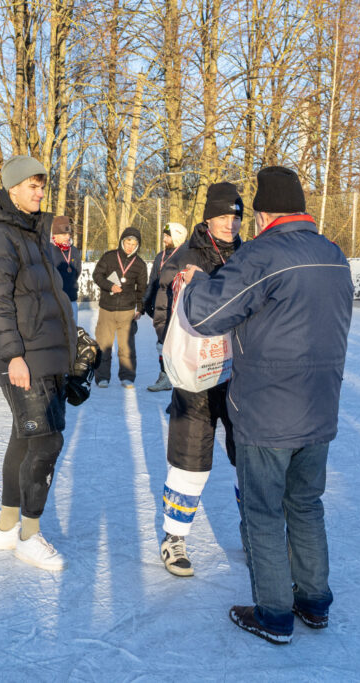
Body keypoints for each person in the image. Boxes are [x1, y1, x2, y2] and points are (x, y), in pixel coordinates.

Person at [181, 166, 353, 644]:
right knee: (306, 505)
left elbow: (206, 314)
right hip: (320, 407)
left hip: (267, 412)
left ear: (261, 215)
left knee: (262, 512)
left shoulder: (262, 254)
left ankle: (274, 613)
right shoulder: (334, 255)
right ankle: (314, 601)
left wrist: (195, 283)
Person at [0, 155, 79, 571]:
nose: (39, 192)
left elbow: (52, 294)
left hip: (45, 350)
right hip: (23, 356)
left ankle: (6, 527)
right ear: (12, 189)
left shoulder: (34, 232)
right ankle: (29, 536)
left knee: (25, 437)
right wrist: (13, 356)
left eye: (41, 185)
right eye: (32, 186)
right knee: (46, 441)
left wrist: (72, 343)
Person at [154, 183, 242, 577]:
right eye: (223, 216)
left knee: (247, 458)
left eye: (236, 217)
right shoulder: (185, 255)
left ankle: (255, 532)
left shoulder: (248, 254)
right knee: (190, 458)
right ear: (208, 217)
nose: (230, 224)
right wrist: (170, 350)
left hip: (238, 375)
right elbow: (161, 306)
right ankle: (174, 537)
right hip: (196, 378)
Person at [92, 226, 148, 388]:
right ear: (122, 242)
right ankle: (102, 377)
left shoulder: (140, 264)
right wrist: (109, 286)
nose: (130, 247)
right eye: (128, 243)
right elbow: (97, 275)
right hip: (107, 309)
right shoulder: (109, 257)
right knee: (104, 344)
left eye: (134, 244)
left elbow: (142, 289)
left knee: (126, 347)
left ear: (138, 246)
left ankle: (127, 376)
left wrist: (140, 308)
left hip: (127, 311)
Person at [143, 223, 185, 392]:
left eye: (168, 236)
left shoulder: (185, 256)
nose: (164, 239)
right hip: (161, 307)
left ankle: (181, 377)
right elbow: (152, 281)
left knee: (178, 344)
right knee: (162, 343)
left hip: (178, 308)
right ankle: (165, 376)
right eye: (164, 235)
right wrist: (146, 303)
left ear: (177, 237)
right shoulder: (160, 256)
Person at [49, 216, 82, 324]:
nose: (67, 237)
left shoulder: (74, 251)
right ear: (55, 235)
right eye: (64, 234)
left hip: (71, 300)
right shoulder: (48, 250)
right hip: (54, 301)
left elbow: (77, 272)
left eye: (69, 234)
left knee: (72, 331)